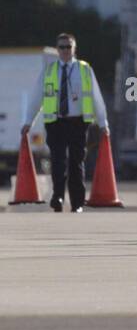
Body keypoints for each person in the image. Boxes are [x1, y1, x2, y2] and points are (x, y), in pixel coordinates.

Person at [21, 33, 110, 213]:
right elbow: (36, 97)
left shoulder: (84, 70)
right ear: (57, 49)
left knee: (76, 163)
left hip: (78, 122)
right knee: (58, 162)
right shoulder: (49, 70)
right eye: (61, 47)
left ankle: (77, 202)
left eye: (68, 47)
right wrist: (28, 120)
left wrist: (103, 123)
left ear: (74, 49)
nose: (65, 51)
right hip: (56, 122)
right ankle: (58, 197)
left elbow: (96, 97)